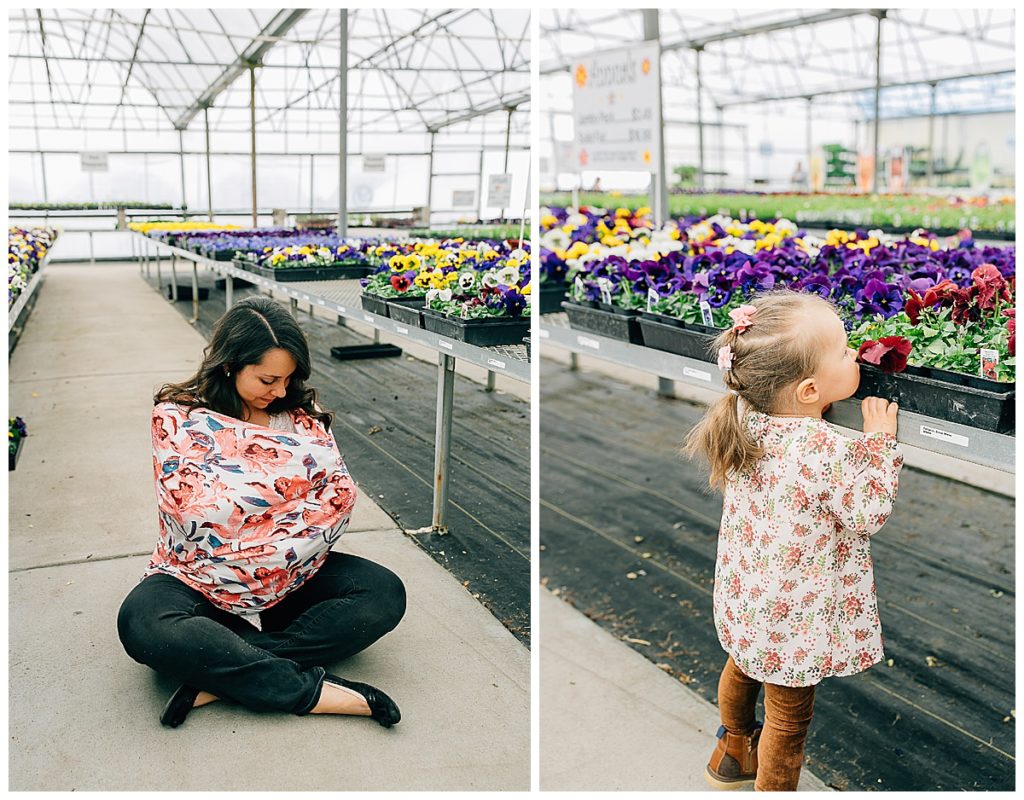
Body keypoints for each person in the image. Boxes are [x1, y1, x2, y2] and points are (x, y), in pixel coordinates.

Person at [117, 295, 406, 728]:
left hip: (289, 574)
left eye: (289, 380)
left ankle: (222, 672)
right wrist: (280, 506)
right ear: (231, 365)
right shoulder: (179, 419)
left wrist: (261, 522)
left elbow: (337, 498)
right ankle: (314, 692)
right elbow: (193, 511)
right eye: (268, 379)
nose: (281, 392)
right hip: (198, 574)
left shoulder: (303, 421)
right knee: (142, 623)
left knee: (383, 593)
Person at [684, 293, 902, 791]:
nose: (856, 355)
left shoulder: (741, 412)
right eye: (846, 352)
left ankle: (732, 749)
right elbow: (869, 513)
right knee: (788, 721)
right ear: (808, 391)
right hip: (794, 621)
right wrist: (879, 444)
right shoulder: (822, 447)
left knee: (742, 666)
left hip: (747, 599)